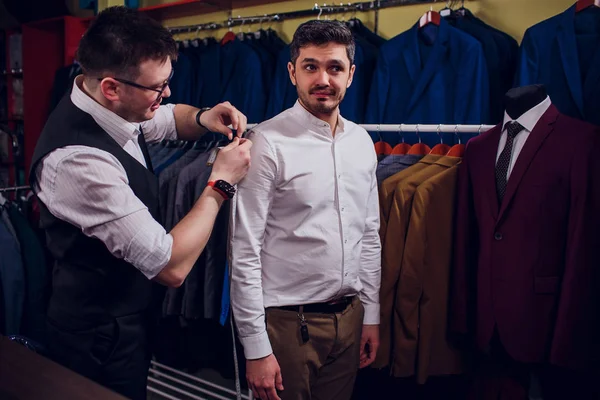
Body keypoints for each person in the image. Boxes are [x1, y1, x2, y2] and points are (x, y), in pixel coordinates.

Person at [28, 6, 252, 400]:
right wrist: (221, 183)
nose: (166, 94)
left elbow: (164, 119)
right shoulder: (80, 163)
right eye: (157, 87)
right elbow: (171, 265)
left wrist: (203, 117)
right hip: (96, 340)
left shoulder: (101, 100)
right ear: (112, 88)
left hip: (127, 320)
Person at [231, 20, 381, 400]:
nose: (323, 79)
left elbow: (369, 234)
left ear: (351, 73)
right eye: (311, 66)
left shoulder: (362, 142)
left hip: (349, 319)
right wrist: (256, 347)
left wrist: (371, 315)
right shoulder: (266, 143)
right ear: (292, 72)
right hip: (287, 324)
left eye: (334, 68)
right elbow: (244, 251)